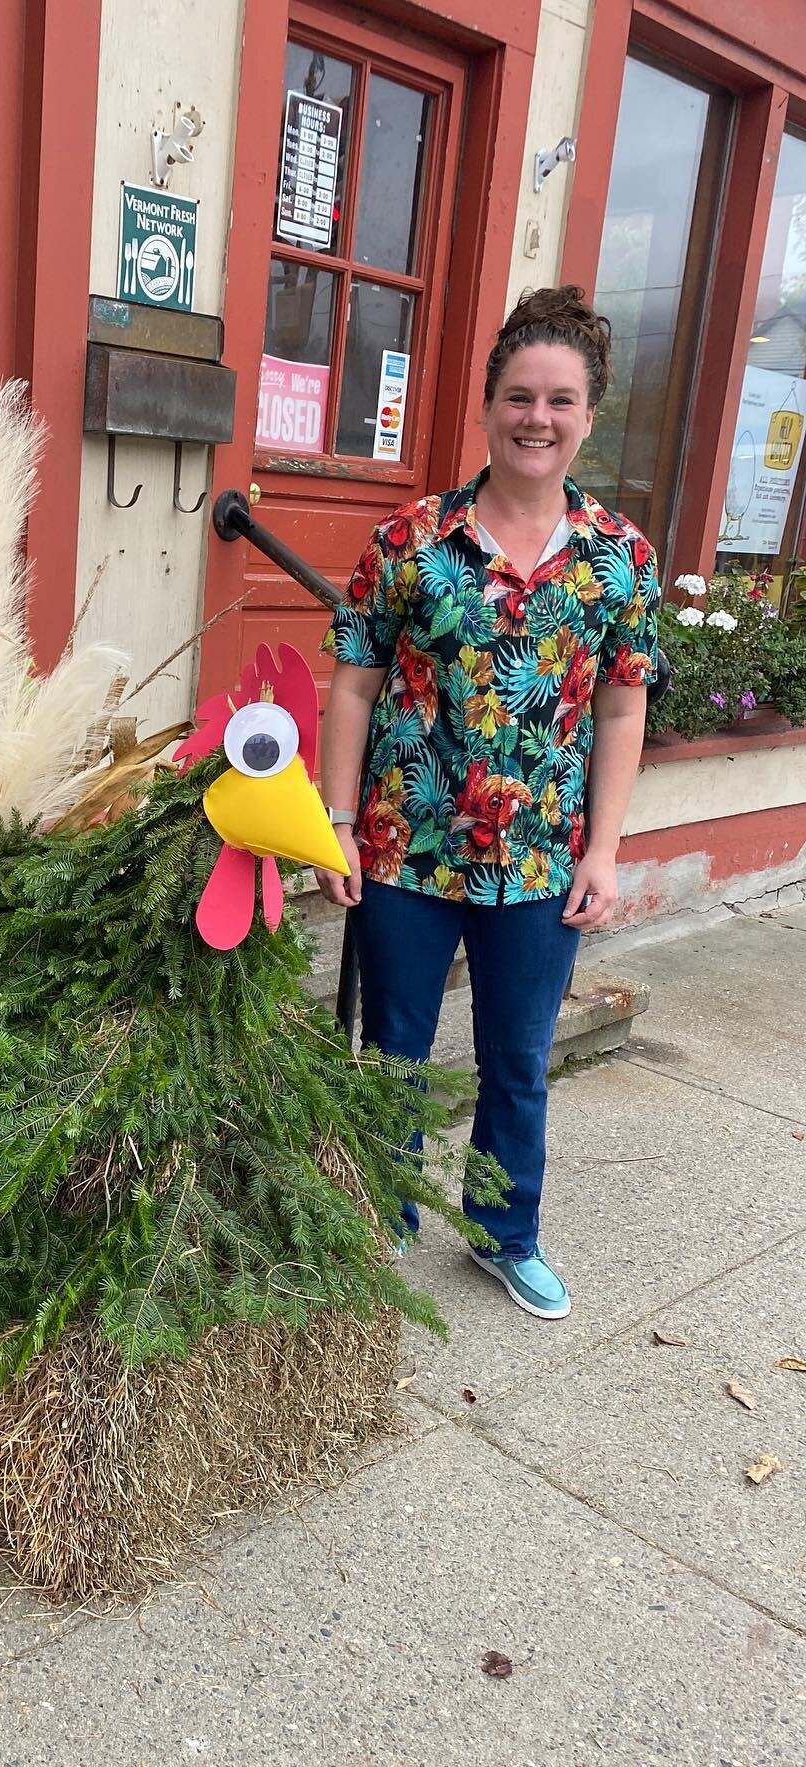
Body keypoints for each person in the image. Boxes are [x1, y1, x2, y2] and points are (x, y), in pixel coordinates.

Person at [316, 285, 659, 1320]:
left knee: (517, 1060)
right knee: (396, 1054)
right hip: (403, 849)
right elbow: (354, 686)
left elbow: (622, 709)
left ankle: (505, 1235)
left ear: (588, 416)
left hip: (541, 859)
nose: (537, 418)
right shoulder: (408, 541)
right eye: (519, 396)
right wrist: (333, 822)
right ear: (487, 405)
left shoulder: (619, 560)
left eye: (560, 400)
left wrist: (605, 849)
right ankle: (384, 1221)